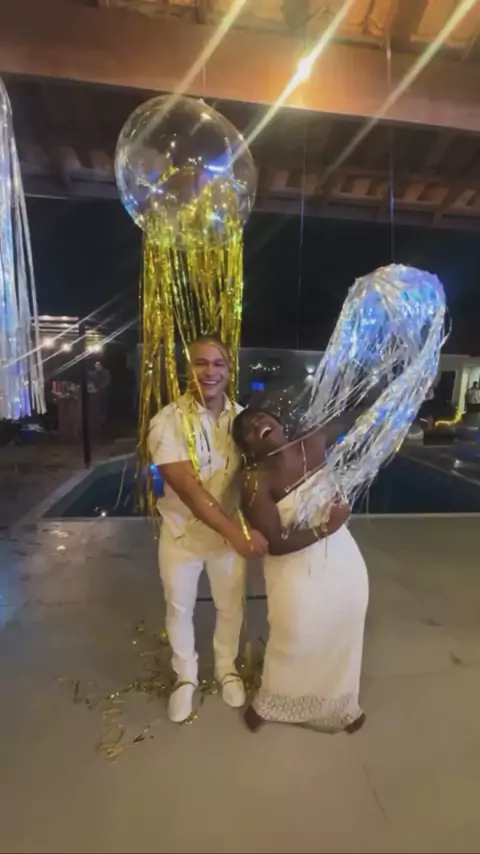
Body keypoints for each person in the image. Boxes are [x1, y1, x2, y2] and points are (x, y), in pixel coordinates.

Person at [148, 337, 269, 723]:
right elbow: (189, 489)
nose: (210, 371)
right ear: (189, 369)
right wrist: (237, 535)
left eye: (218, 364)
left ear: (230, 371)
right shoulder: (167, 421)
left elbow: (261, 475)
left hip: (228, 538)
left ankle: (226, 667)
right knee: (179, 607)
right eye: (201, 363)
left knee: (230, 606)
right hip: (182, 535)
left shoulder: (244, 420)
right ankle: (185, 676)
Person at [232, 407, 369, 734]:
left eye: (261, 417)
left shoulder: (314, 440)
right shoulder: (255, 481)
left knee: (345, 623)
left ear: (279, 422)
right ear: (248, 447)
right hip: (293, 565)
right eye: (248, 429)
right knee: (294, 633)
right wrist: (327, 527)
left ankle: (341, 704)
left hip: (342, 557)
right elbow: (275, 543)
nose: (257, 424)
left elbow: (357, 418)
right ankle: (273, 703)